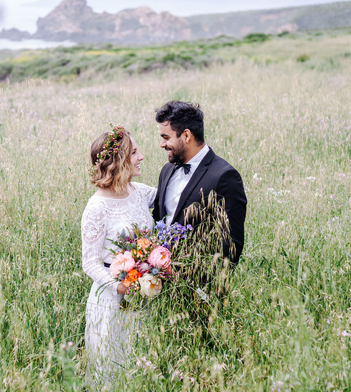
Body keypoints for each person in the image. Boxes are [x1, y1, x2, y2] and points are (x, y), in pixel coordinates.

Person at [80, 124, 156, 387]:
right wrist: (120, 287)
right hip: (113, 300)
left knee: (142, 369)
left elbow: (175, 201)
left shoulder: (140, 192)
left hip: (146, 294)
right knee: (113, 372)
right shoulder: (97, 206)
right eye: (134, 152)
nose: (141, 157)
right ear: (119, 161)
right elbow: (89, 262)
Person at [152, 100, 247, 266]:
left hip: (198, 285)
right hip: (159, 281)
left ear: (187, 135)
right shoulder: (167, 170)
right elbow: (158, 220)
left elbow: (231, 244)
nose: (162, 144)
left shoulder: (224, 176)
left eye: (166, 138)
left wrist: (203, 287)